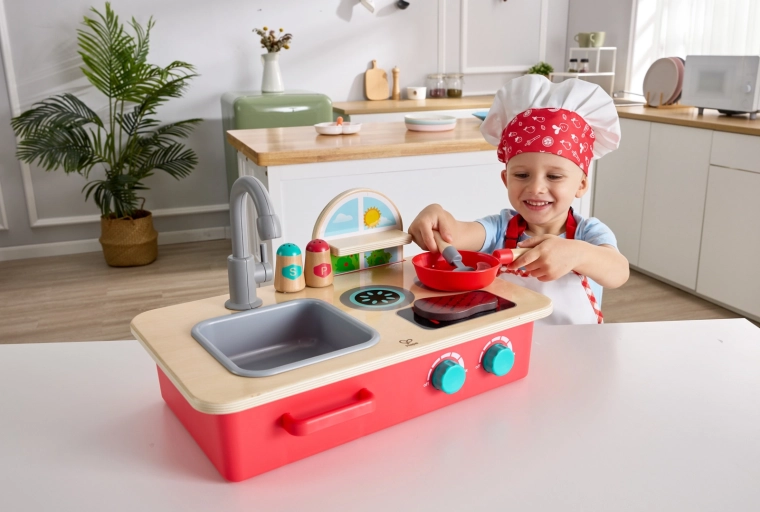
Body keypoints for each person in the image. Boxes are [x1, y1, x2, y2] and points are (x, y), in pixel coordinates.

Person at [408, 75, 629, 324]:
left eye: (554, 176)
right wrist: (437, 216)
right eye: (522, 175)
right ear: (506, 179)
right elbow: (456, 235)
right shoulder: (499, 228)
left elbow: (618, 272)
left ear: (581, 185)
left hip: (577, 343)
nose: (536, 187)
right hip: (510, 341)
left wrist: (578, 254)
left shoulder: (588, 233)